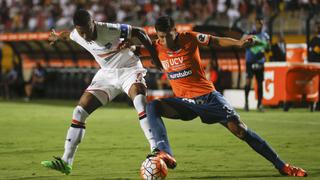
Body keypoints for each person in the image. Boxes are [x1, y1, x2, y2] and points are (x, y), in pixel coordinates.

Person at [140, 16, 307, 177]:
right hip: (185, 102)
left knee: (240, 130)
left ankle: (282, 166)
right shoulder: (156, 47)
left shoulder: (189, 38)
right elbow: (136, 42)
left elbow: (216, 40)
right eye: (161, 37)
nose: (165, 41)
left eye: (168, 36)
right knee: (152, 106)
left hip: (208, 97)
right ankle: (165, 152)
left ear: (175, 30)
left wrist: (239, 42)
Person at [41, 9, 162, 175]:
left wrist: (154, 56)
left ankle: (156, 150)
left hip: (129, 69)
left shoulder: (108, 28)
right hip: (106, 75)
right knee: (79, 112)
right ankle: (66, 162)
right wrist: (56, 37)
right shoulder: (77, 34)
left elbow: (140, 32)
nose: (84, 35)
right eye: (80, 32)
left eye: (87, 30)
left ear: (93, 23)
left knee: (140, 103)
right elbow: (66, 35)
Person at [244, 17, 270, 112]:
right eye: (258, 23)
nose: (260, 25)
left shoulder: (265, 36)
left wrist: (265, 47)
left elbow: (268, 49)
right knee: (248, 82)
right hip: (250, 61)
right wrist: (252, 43)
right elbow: (243, 44)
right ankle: (246, 103)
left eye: (261, 24)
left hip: (260, 61)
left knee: (259, 83)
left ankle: (260, 104)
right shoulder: (249, 34)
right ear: (255, 24)